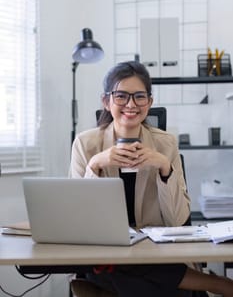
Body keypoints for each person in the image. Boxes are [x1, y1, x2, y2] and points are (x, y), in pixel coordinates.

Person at [70, 61, 233, 297]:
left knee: (142, 268)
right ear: (106, 101)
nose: (131, 104)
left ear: (150, 102)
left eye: (139, 96)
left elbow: (177, 220)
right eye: (121, 96)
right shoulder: (85, 145)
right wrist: (95, 165)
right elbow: (78, 219)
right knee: (117, 268)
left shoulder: (165, 144)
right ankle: (214, 284)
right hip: (105, 252)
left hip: (155, 253)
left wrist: (164, 168)